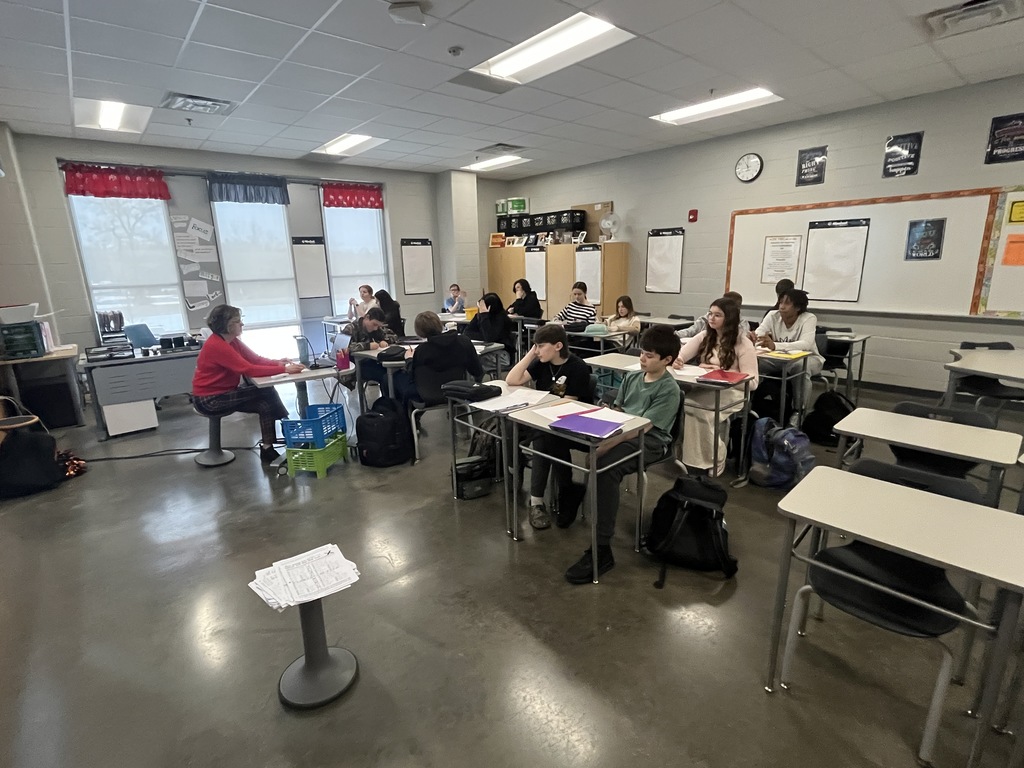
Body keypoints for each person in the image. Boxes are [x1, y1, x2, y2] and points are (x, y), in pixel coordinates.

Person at [564, 325, 681, 584]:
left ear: (667, 360)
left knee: (605, 466)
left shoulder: (668, 389)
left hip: (650, 440)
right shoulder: (632, 378)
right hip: (623, 431)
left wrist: (606, 445)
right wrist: (604, 423)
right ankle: (570, 499)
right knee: (569, 440)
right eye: (642, 353)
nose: (642, 358)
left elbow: (641, 427)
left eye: (649, 355)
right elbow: (618, 411)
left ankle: (602, 548)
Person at [505, 324, 593, 530]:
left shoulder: (577, 367)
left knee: (542, 440)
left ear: (558, 346)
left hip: (569, 424)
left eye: (541, 346)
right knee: (510, 426)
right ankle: (514, 468)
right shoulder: (542, 362)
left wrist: (536, 406)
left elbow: (567, 403)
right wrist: (531, 354)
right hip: (542, 418)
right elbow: (512, 379)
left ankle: (537, 500)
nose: (537, 351)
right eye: (535, 346)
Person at [191, 304, 304, 463]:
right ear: (227, 325)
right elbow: (248, 369)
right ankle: (289, 428)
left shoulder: (232, 341)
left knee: (264, 405)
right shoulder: (217, 346)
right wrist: (284, 369)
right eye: (237, 321)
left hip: (223, 394)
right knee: (265, 390)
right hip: (209, 400)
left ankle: (268, 448)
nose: (242, 324)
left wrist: (279, 363)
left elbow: (255, 359)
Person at [675, 297, 758, 476]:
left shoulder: (743, 343)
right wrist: (678, 360)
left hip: (733, 392)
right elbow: (681, 355)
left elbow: (752, 383)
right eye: (710, 314)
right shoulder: (705, 336)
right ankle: (694, 459)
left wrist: (721, 372)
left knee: (700, 410)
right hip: (706, 389)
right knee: (687, 404)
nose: (711, 318)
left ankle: (717, 456)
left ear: (729, 318)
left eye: (717, 315)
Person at [395, 311, 482, 417]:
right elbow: (477, 371)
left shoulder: (421, 351)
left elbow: (412, 376)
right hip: (456, 392)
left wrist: (409, 360)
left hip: (426, 395)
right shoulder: (463, 342)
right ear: (439, 324)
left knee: (395, 379)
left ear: (419, 331)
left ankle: (402, 419)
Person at [753, 288, 824, 417]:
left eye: (787, 303)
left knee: (799, 367)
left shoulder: (808, 318)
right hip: (779, 359)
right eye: (780, 302)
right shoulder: (772, 315)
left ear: (798, 307)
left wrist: (775, 345)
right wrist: (753, 337)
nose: (782, 306)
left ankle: (798, 412)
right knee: (751, 362)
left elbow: (806, 344)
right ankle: (750, 407)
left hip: (809, 358)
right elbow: (760, 333)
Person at [343, 306, 398, 387]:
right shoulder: (351, 328)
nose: (375, 328)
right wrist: (367, 346)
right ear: (367, 317)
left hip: (373, 362)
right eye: (374, 324)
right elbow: (344, 347)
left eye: (378, 326)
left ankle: (390, 394)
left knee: (393, 373)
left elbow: (394, 336)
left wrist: (385, 341)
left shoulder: (377, 328)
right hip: (356, 365)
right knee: (384, 375)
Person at [466, 292, 516, 363]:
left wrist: (484, 315)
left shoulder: (501, 318)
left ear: (489, 307)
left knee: (472, 361)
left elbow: (489, 337)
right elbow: (466, 333)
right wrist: (483, 336)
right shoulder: (480, 316)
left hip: (502, 355)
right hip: (486, 351)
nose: (480, 309)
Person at [677, 291, 745, 339]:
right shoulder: (706, 319)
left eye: (717, 315)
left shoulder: (742, 325)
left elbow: (742, 338)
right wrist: (675, 335)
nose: (712, 318)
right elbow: (691, 330)